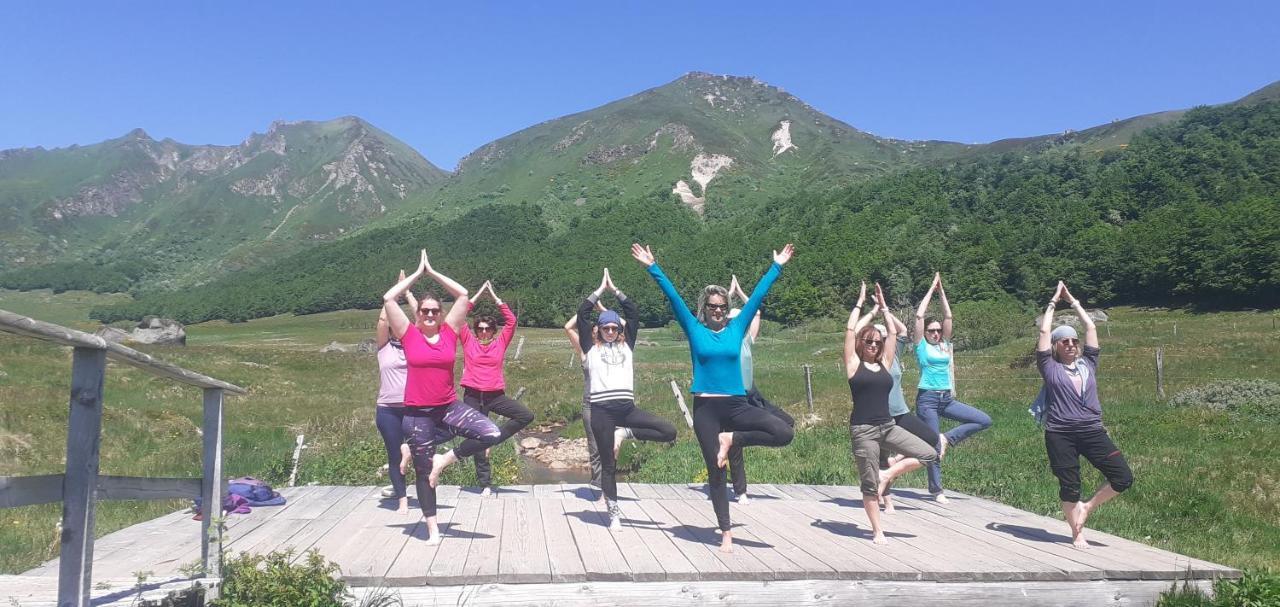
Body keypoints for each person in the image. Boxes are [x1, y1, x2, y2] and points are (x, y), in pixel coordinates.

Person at [634, 243, 796, 552]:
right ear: (705, 309)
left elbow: (759, 297)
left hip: (737, 405)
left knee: (783, 431)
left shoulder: (737, 329)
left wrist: (777, 266)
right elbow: (673, 298)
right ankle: (726, 531)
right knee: (717, 472)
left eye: (722, 305)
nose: (718, 310)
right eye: (712, 306)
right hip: (706, 409)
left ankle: (731, 439)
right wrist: (653, 266)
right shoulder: (695, 330)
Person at [382, 250, 502, 544]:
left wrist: (431, 271)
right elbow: (388, 299)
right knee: (423, 474)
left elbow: (462, 294)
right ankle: (432, 528)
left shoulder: (450, 331)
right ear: (418, 314)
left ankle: (443, 458)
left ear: (441, 313)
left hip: (448, 407)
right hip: (417, 413)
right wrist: (414, 275)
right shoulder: (409, 334)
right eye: (426, 311)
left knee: (491, 432)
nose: (432, 315)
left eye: (436, 310)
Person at [577, 268, 677, 531]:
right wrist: (599, 289)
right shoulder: (590, 347)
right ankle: (614, 514)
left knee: (669, 431)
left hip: (626, 409)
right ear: (598, 330)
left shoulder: (626, 345)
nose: (610, 331)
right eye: (605, 328)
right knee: (608, 466)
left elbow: (633, 313)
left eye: (614, 327)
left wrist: (615, 290)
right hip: (600, 412)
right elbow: (581, 314)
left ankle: (625, 434)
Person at [1037, 281, 1133, 549]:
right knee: (1070, 485)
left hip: (1092, 431)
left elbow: (1091, 327)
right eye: (1064, 341)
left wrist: (1074, 301)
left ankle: (1087, 507)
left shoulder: (1089, 363)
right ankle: (1076, 532)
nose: (1070, 344)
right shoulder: (1049, 367)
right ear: (1056, 346)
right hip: (1060, 434)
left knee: (1123, 477)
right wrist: (1054, 302)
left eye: (1073, 341)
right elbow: (1045, 329)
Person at [845, 283, 938, 544]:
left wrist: (884, 307)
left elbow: (895, 333)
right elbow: (850, 330)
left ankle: (889, 473)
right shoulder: (853, 365)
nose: (874, 345)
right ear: (861, 344)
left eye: (877, 341)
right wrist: (861, 303)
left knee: (930, 453)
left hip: (888, 427)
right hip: (863, 431)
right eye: (869, 341)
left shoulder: (885, 363)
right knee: (869, 485)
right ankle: (877, 530)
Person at [914, 272, 991, 503]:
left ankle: (947, 438)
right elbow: (919, 315)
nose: (936, 333)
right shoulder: (921, 346)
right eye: (932, 331)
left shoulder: (945, 345)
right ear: (925, 333)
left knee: (983, 420)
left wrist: (942, 290)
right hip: (927, 398)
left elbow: (948, 315)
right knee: (932, 446)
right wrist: (930, 289)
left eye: (938, 330)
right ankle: (936, 490)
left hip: (947, 399)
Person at [723, 274, 796, 505]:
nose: (740, 324)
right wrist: (727, 296)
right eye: (735, 321)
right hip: (732, 396)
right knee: (734, 452)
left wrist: (740, 292)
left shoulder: (747, 340)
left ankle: (740, 437)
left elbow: (755, 312)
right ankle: (740, 491)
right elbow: (711, 319)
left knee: (787, 422)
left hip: (752, 393)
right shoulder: (724, 340)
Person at [459, 280, 535, 497]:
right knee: (476, 436)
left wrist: (495, 298)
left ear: (493, 330)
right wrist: (476, 296)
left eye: (488, 329)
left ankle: (493, 439)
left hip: (495, 395)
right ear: (476, 330)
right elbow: (458, 317)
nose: (483, 332)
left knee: (525, 415)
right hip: (473, 396)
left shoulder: (500, 342)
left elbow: (511, 322)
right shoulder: (467, 340)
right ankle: (485, 484)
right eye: (480, 329)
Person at [564, 300, 634, 503]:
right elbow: (568, 327)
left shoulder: (619, 348)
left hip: (615, 403)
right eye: (599, 328)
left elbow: (627, 327)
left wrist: (606, 312)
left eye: (609, 328)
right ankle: (600, 488)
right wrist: (590, 304)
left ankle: (608, 485)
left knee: (613, 446)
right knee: (595, 447)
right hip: (591, 404)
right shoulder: (586, 351)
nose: (601, 331)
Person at [374, 270, 418, 515]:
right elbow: (382, 321)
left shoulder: (414, 343)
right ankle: (401, 497)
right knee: (393, 453)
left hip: (413, 407)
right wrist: (394, 292)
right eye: (391, 326)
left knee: (419, 452)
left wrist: (408, 291)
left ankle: (421, 491)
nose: (393, 328)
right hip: (388, 410)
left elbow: (421, 319)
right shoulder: (383, 347)